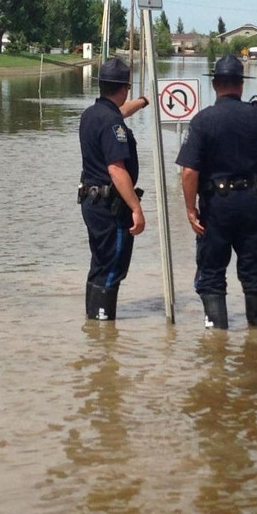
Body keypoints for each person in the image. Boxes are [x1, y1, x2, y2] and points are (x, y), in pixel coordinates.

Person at [176, 54, 257, 329]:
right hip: (253, 204)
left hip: (217, 207)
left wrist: (191, 210)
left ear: (215, 85)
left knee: (212, 271)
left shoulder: (202, 121)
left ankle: (217, 337)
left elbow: (189, 172)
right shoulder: (256, 115)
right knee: (253, 269)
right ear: (241, 85)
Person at [78, 57, 150, 320]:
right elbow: (116, 170)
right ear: (123, 88)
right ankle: (104, 334)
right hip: (111, 207)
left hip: (92, 202)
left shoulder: (92, 114)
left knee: (99, 265)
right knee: (112, 268)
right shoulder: (113, 123)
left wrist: (145, 101)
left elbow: (121, 111)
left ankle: (92, 325)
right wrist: (136, 208)